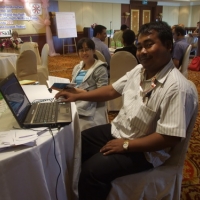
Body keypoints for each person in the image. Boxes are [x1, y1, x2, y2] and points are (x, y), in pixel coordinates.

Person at [55, 21, 198, 200]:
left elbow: (170, 137)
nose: (142, 52)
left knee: (91, 172)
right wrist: (78, 95)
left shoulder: (177, 87)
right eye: (139, 46)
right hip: (121, 129)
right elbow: (111, 90)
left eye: (149, 45)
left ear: (168, 46)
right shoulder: (140, 70)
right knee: (74, 144)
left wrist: (126, 145)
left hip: (144, 150)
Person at [70, 37, 108, 131]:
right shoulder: (77, 67)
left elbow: (103, 93)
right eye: (81, 50)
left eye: (87, 50)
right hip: (75, 101)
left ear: (93, 51)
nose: (84, 53)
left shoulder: (100, 69)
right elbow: (73, 84)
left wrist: (81, 92)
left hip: (91, 105)